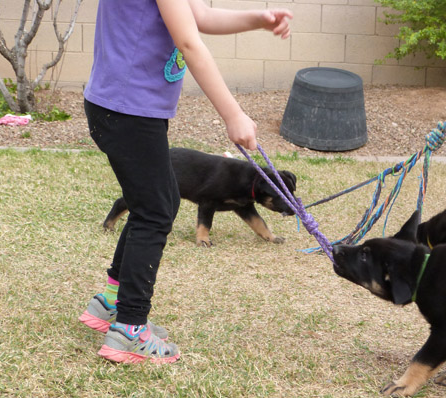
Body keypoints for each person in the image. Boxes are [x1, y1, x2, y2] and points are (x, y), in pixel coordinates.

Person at [78, 0, 293, 364]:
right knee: (156, 211)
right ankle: (130, 330)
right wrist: (233, 114)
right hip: (130, 110)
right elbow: (189, 42)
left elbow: (199, 16)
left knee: (156, 203)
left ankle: (111, 304)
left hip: (124, 106)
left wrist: (257, 18)